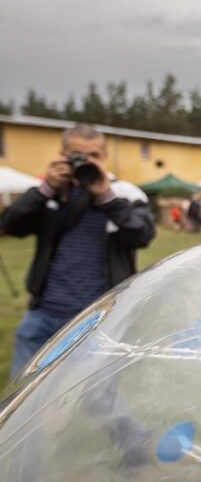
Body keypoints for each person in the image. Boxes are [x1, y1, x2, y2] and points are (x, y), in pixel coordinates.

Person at [1, 124, 156, 377]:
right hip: (43, 312)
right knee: (22, 396)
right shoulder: (51, 190)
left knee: (97, 393)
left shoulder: (123, 192)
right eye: (77, 155)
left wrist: (106, 195)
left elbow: (142, 235)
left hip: (98, 315)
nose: (86, 161)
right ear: (62, 154)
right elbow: (10, 225)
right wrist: (46, 189)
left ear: (105, 157)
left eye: (94, 155)